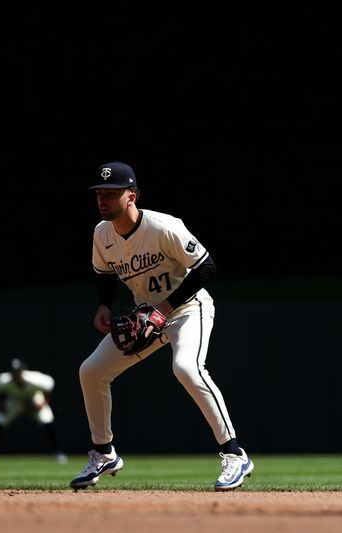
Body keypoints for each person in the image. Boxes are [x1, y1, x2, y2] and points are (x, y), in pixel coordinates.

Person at [70, 161, 253, 491]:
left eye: (111, 193)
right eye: (99, 193)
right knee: (91, 371)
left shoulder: (163, 227)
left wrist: (165, 308)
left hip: (187, 309)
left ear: (132, 196)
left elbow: (207, 267)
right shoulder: (102, 233)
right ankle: (104, 453)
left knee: (186, 367)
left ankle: (234, 453)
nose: (103, 199)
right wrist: (103, 305)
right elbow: (105, 273)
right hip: (147, 317)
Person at [0, 358, 67, 464]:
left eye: (18, 372)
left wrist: (44, 402)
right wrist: (1, 405)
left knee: (46, 418)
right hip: (15, 400)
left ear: (23, 371)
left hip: (33, 398)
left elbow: (50, 384)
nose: (16, 375)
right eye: (14, 373)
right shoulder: (3, 380)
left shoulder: (35, 379)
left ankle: (58, 452)